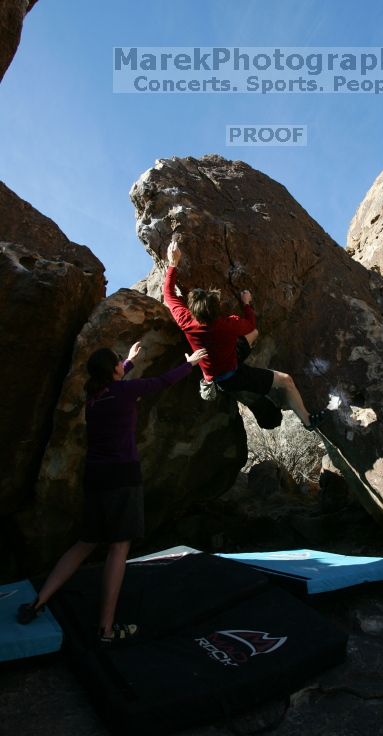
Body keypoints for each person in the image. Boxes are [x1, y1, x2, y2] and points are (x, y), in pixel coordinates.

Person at [17, 340, 207, 642]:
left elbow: (115, 383)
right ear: (112, 370)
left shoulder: (94, 396)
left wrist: (129, 361)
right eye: (118, 361)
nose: (123, 362)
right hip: (122, 476)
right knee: (119, 547)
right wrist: (192, 363)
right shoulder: (123, 391)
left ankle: (38, 602)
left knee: (86, 541)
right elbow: (161, 382)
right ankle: (106, 628)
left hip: (95, 478)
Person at [163, 241, 325, 430]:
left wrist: (172, 263)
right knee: (286, 380)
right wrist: (246, 303)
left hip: (217, 370)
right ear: (216, 309)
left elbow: (168, 293)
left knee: (251, 337)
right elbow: (250, 325)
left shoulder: (186, 321)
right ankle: (308, 421)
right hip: (233, 376)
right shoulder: (228, 325)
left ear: (193, 310)